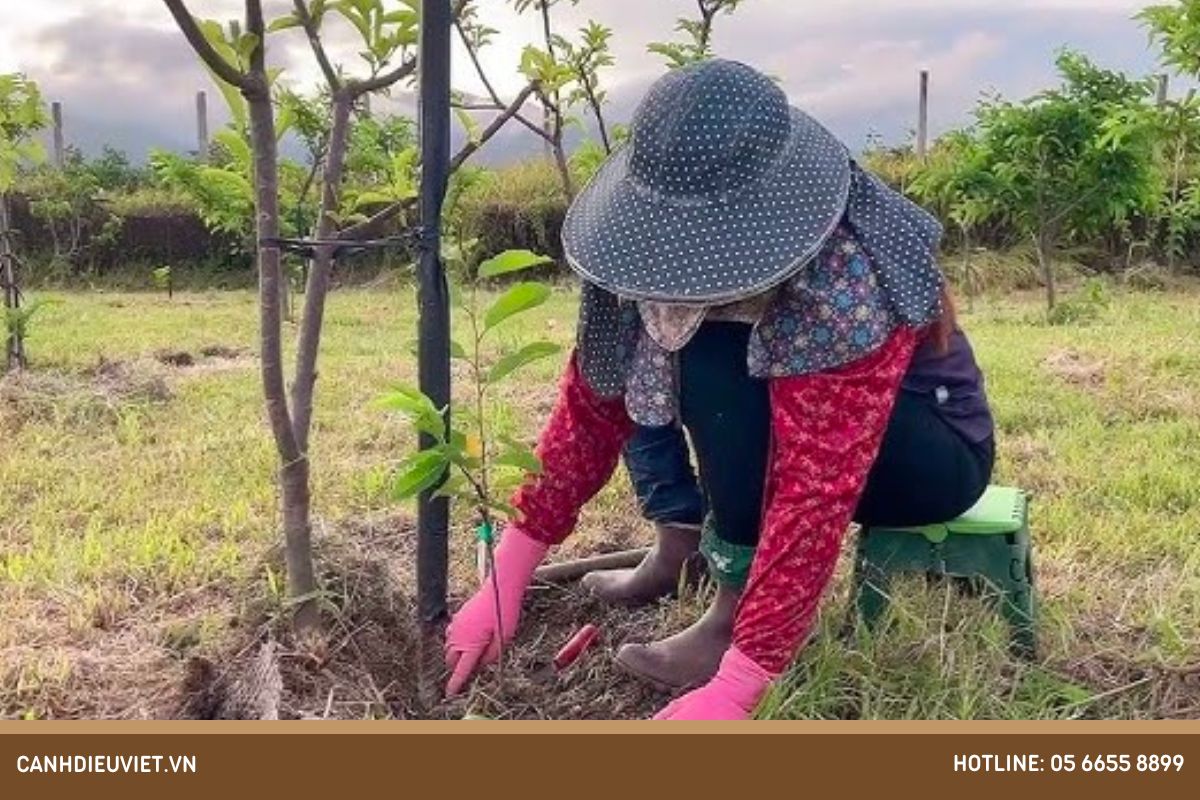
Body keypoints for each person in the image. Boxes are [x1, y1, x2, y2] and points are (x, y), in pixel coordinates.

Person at [443, 59, 994, 720]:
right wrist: (507, 577)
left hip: (928, 452)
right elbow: (593, 406)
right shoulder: (639, 254)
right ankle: (683, 545)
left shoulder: (842, 273)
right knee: (654, 339)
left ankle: (731, 617)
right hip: (815, 446)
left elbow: (815, 485)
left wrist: (745, 678)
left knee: (709, 359)